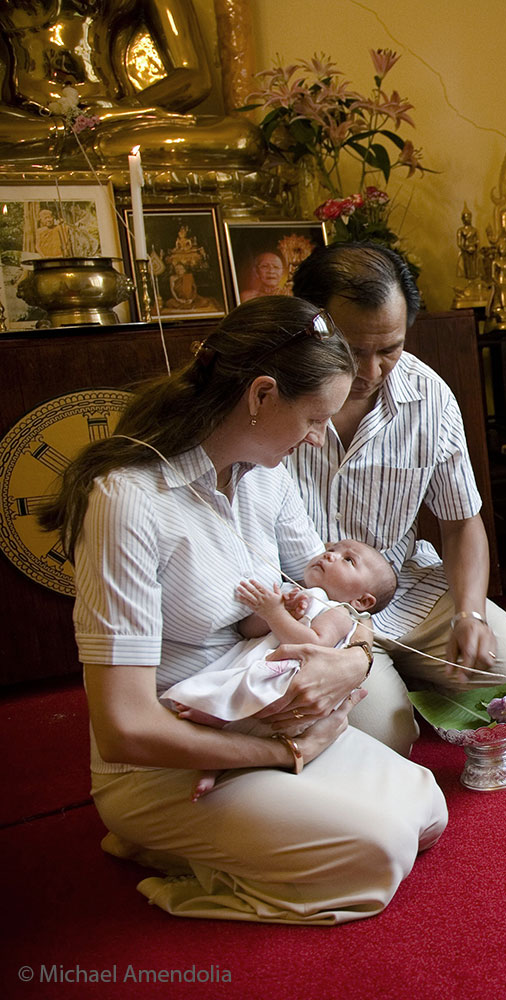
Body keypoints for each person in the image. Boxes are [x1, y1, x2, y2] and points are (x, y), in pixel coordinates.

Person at [38, 296, 446, 923]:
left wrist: (355, 660)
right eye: (313, 417)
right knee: (378, 851)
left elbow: (339, 596)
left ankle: (229, 836)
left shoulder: (262, 473)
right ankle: (165, 851)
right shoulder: (129, 500)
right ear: (261, 396)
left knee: (427, 813)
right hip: (171, 758)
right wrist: (284, 754)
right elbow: (124, 727)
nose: (317, 437)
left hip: (260, 718)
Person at [289, 242, 506, 753]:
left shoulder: (428, 395)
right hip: (312, 614)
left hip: (404, 588)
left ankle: (403, 673)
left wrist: (470, 613)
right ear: (311, 323)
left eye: (388, 348)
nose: (369, 371)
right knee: (383, 737)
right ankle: (390, 687)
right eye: (351, 348)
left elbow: (462, 522)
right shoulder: (275, 399)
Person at [161, 538, 397, 799]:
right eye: (331, 550)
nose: (329, 556)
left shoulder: (339, 612)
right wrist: (272, 613)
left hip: (288, 675)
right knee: (232, 685)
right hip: (257, 659)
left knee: (251, 694)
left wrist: (276, 614)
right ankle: (211, 762)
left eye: (348, 560)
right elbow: (247, 631)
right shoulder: (295, 591)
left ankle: (217, 726)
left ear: (362, 601)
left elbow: (312, 644)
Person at [0, 0, 261, 170]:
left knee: (241, 138)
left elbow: (193, 78)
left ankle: (68, 151)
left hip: (114, 123)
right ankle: (68, 148)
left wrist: (117, 112)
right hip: (23, 122)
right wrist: (58, 128)